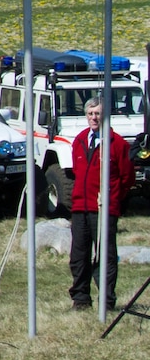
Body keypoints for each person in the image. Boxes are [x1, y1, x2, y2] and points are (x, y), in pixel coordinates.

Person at [69, 97, 131, 312]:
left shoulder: (118, 144)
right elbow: (77, 173)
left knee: (105, 255)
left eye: (98, 113)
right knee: (78, 255)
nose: (94, 118)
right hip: (79, 207)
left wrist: (112, 197)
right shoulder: (78, 141)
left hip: (103, 208)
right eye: (90, 114)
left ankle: (107, 299)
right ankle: (81, 299)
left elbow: (126, 177)